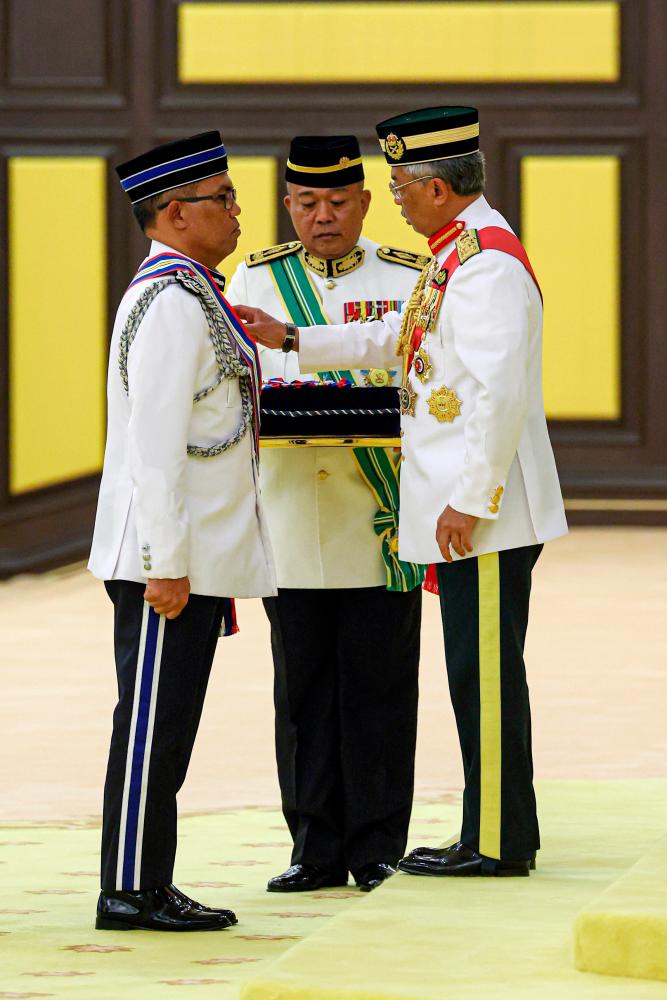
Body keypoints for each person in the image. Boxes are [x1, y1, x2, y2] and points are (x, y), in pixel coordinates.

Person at [236, 106, 568, 878]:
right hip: (470, 510)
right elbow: (399, 334)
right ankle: (487, 830)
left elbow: (496, 395)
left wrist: (471, 498)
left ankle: (493, 840)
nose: (394, 201)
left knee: (481, 678)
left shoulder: (484, 265)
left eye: (401, 187)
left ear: (440, 188)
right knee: (471, 676)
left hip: (482, 515)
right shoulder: (457, 254)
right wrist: (292, 340)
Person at [228, 136, 429, 894]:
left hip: (377, 512)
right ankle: (313, 847)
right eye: (308, 203)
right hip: (291, 512)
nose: (323, 216)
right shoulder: (257, 277)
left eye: (338, 201)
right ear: (288, 205)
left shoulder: (407, 277)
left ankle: (377, 844)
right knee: (302, 689)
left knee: (379, 685)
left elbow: (420, 373)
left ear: (365, 203)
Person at [88, 130, 276, 930]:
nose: (237, 211)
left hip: (191, 552)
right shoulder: (169, 302)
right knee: (151, 729)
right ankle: (128, 888)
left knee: (168, 728)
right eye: (222, 199)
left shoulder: (194, 289)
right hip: (168, 557)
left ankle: (149, 879)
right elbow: (157, 447)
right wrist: (167, 562)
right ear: (173, 213)